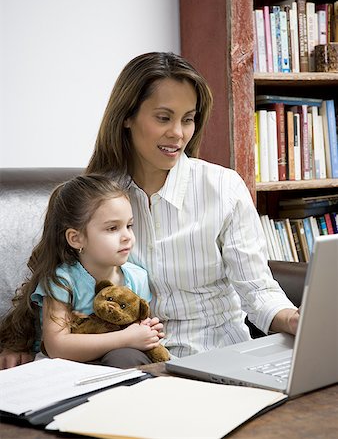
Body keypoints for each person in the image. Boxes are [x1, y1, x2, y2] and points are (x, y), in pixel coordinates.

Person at [0, 51, 299, 368]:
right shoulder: (97, 199)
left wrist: (294, 319)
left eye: (188, 119)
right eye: (163, 117)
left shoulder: (224, 188)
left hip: (223, 354)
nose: (178, 133)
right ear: (127, 117)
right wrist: (15, 343)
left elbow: (257, 290)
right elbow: (56, 274)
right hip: (136, 360)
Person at [0, 174, 163, 369]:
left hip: (118, 360)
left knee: (126, 358)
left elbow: (138, 328)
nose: (127, 236)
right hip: (67, 365)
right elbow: (57, 346)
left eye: (129, 226)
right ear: (76, 239)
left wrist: (148, 332)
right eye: (112, 228)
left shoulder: (137, 277)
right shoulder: (62, 280)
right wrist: (125, 338)